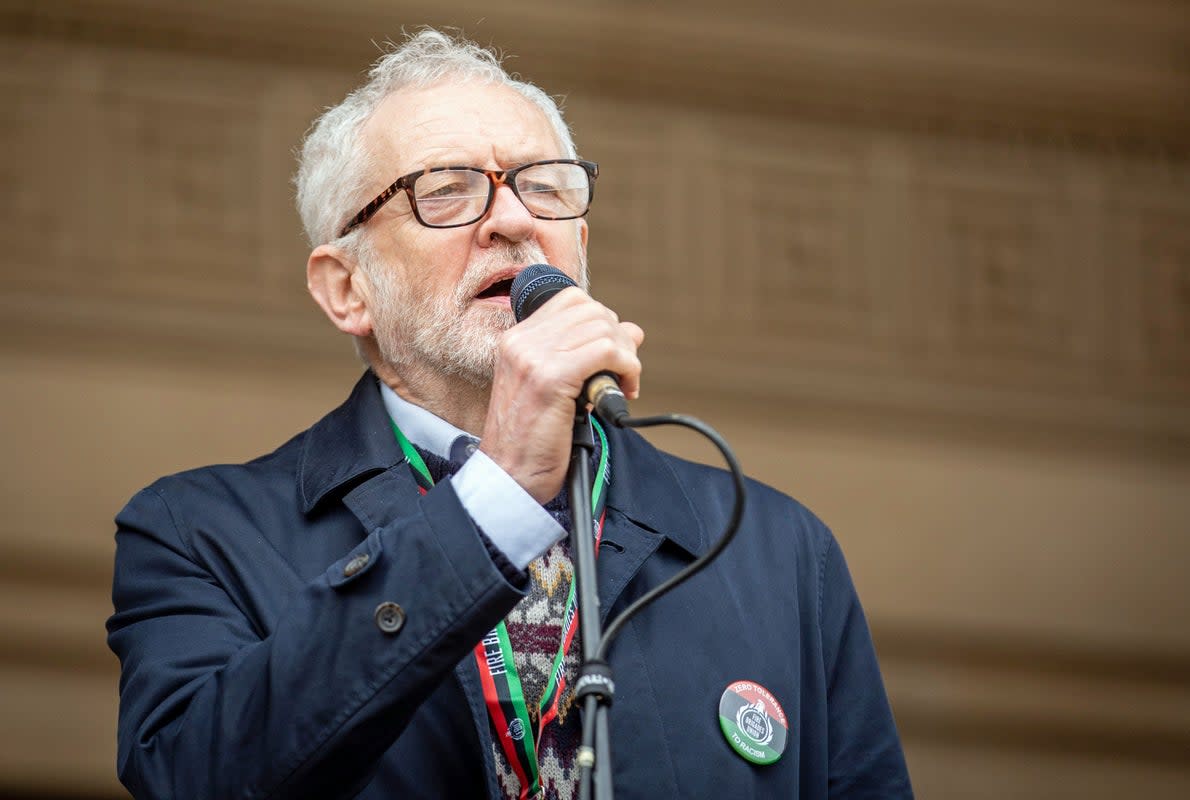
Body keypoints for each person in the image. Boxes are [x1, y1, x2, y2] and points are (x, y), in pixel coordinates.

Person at [106, 28, 912, 800]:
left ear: (579, 247)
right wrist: (498, 496)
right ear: (347, 289)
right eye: (447, 190)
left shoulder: (778, 551)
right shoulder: (198, 532)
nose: (515, 220)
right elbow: (200, 776)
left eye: (545, 186)